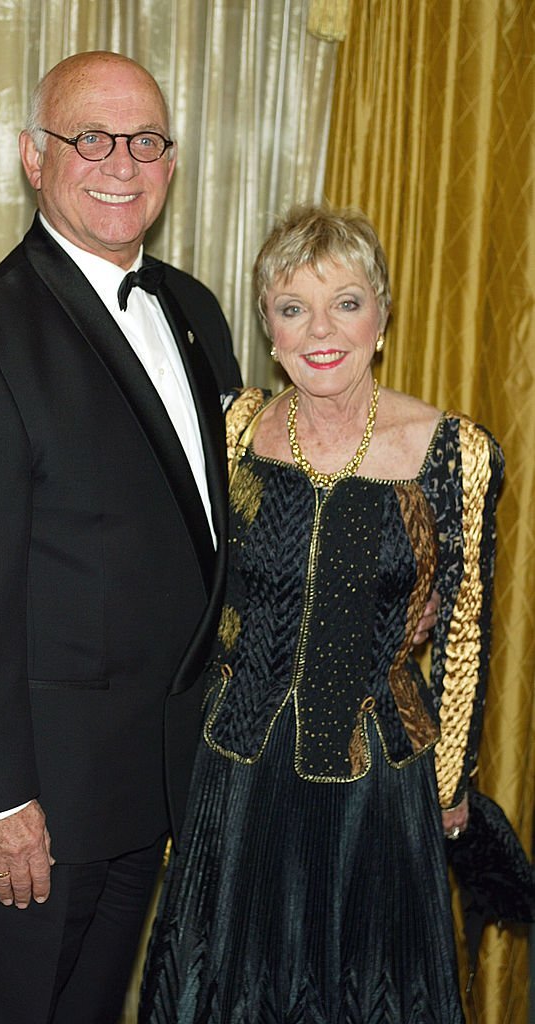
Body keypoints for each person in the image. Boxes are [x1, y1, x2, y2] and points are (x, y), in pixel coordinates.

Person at [0, 51, 243, 1024]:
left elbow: (211, 534)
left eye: (144, 141)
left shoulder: (198, 312)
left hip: (145, 787)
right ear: (31, 158)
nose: (119, 161)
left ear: (171, 162)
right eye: (90, 137)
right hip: (29, 808)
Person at [139, 204, 504, 1023]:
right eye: (292, 307)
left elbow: (465, 628)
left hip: (376, 785)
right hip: (233, 774)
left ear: (381, 315)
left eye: (345, 301)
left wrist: (449, 783)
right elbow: (180, 581)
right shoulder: (232, 427)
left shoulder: (454, 451)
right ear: (268, 329)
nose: (319, 329)